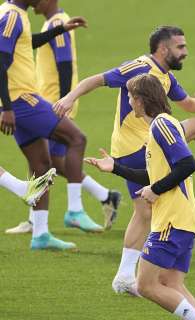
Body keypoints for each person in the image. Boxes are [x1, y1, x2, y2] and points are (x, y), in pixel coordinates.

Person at [53, 25, 195, 295]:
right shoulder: (139, 67)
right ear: (163, 49)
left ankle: (124, 276)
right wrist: (70, 98)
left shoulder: (165, 76)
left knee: (143, 212)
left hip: (148, 143)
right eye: (180, 47)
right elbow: (98, 79)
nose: (185, 52)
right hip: (135, 146)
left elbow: (187, 103)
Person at [85, 74, 195, 320]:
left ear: (141, 100)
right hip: (182, 219)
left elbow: (187, 164)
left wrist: (156, 189)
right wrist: (115, 168)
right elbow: (152, 175)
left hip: (172, 220)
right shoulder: (157, 127)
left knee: (145, 285)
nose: (128, 102)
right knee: (171, 285)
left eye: (130, 97)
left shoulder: (162, 125)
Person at [6, 0, 121, 235]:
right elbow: (23, 50)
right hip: (33, 100)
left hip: (44, 101)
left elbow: (55, 58)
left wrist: (65, 99)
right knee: (58, 157)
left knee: (48, 160)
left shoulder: (41, 18)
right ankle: (92, 202)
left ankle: (46, 224)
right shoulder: (23, 18)